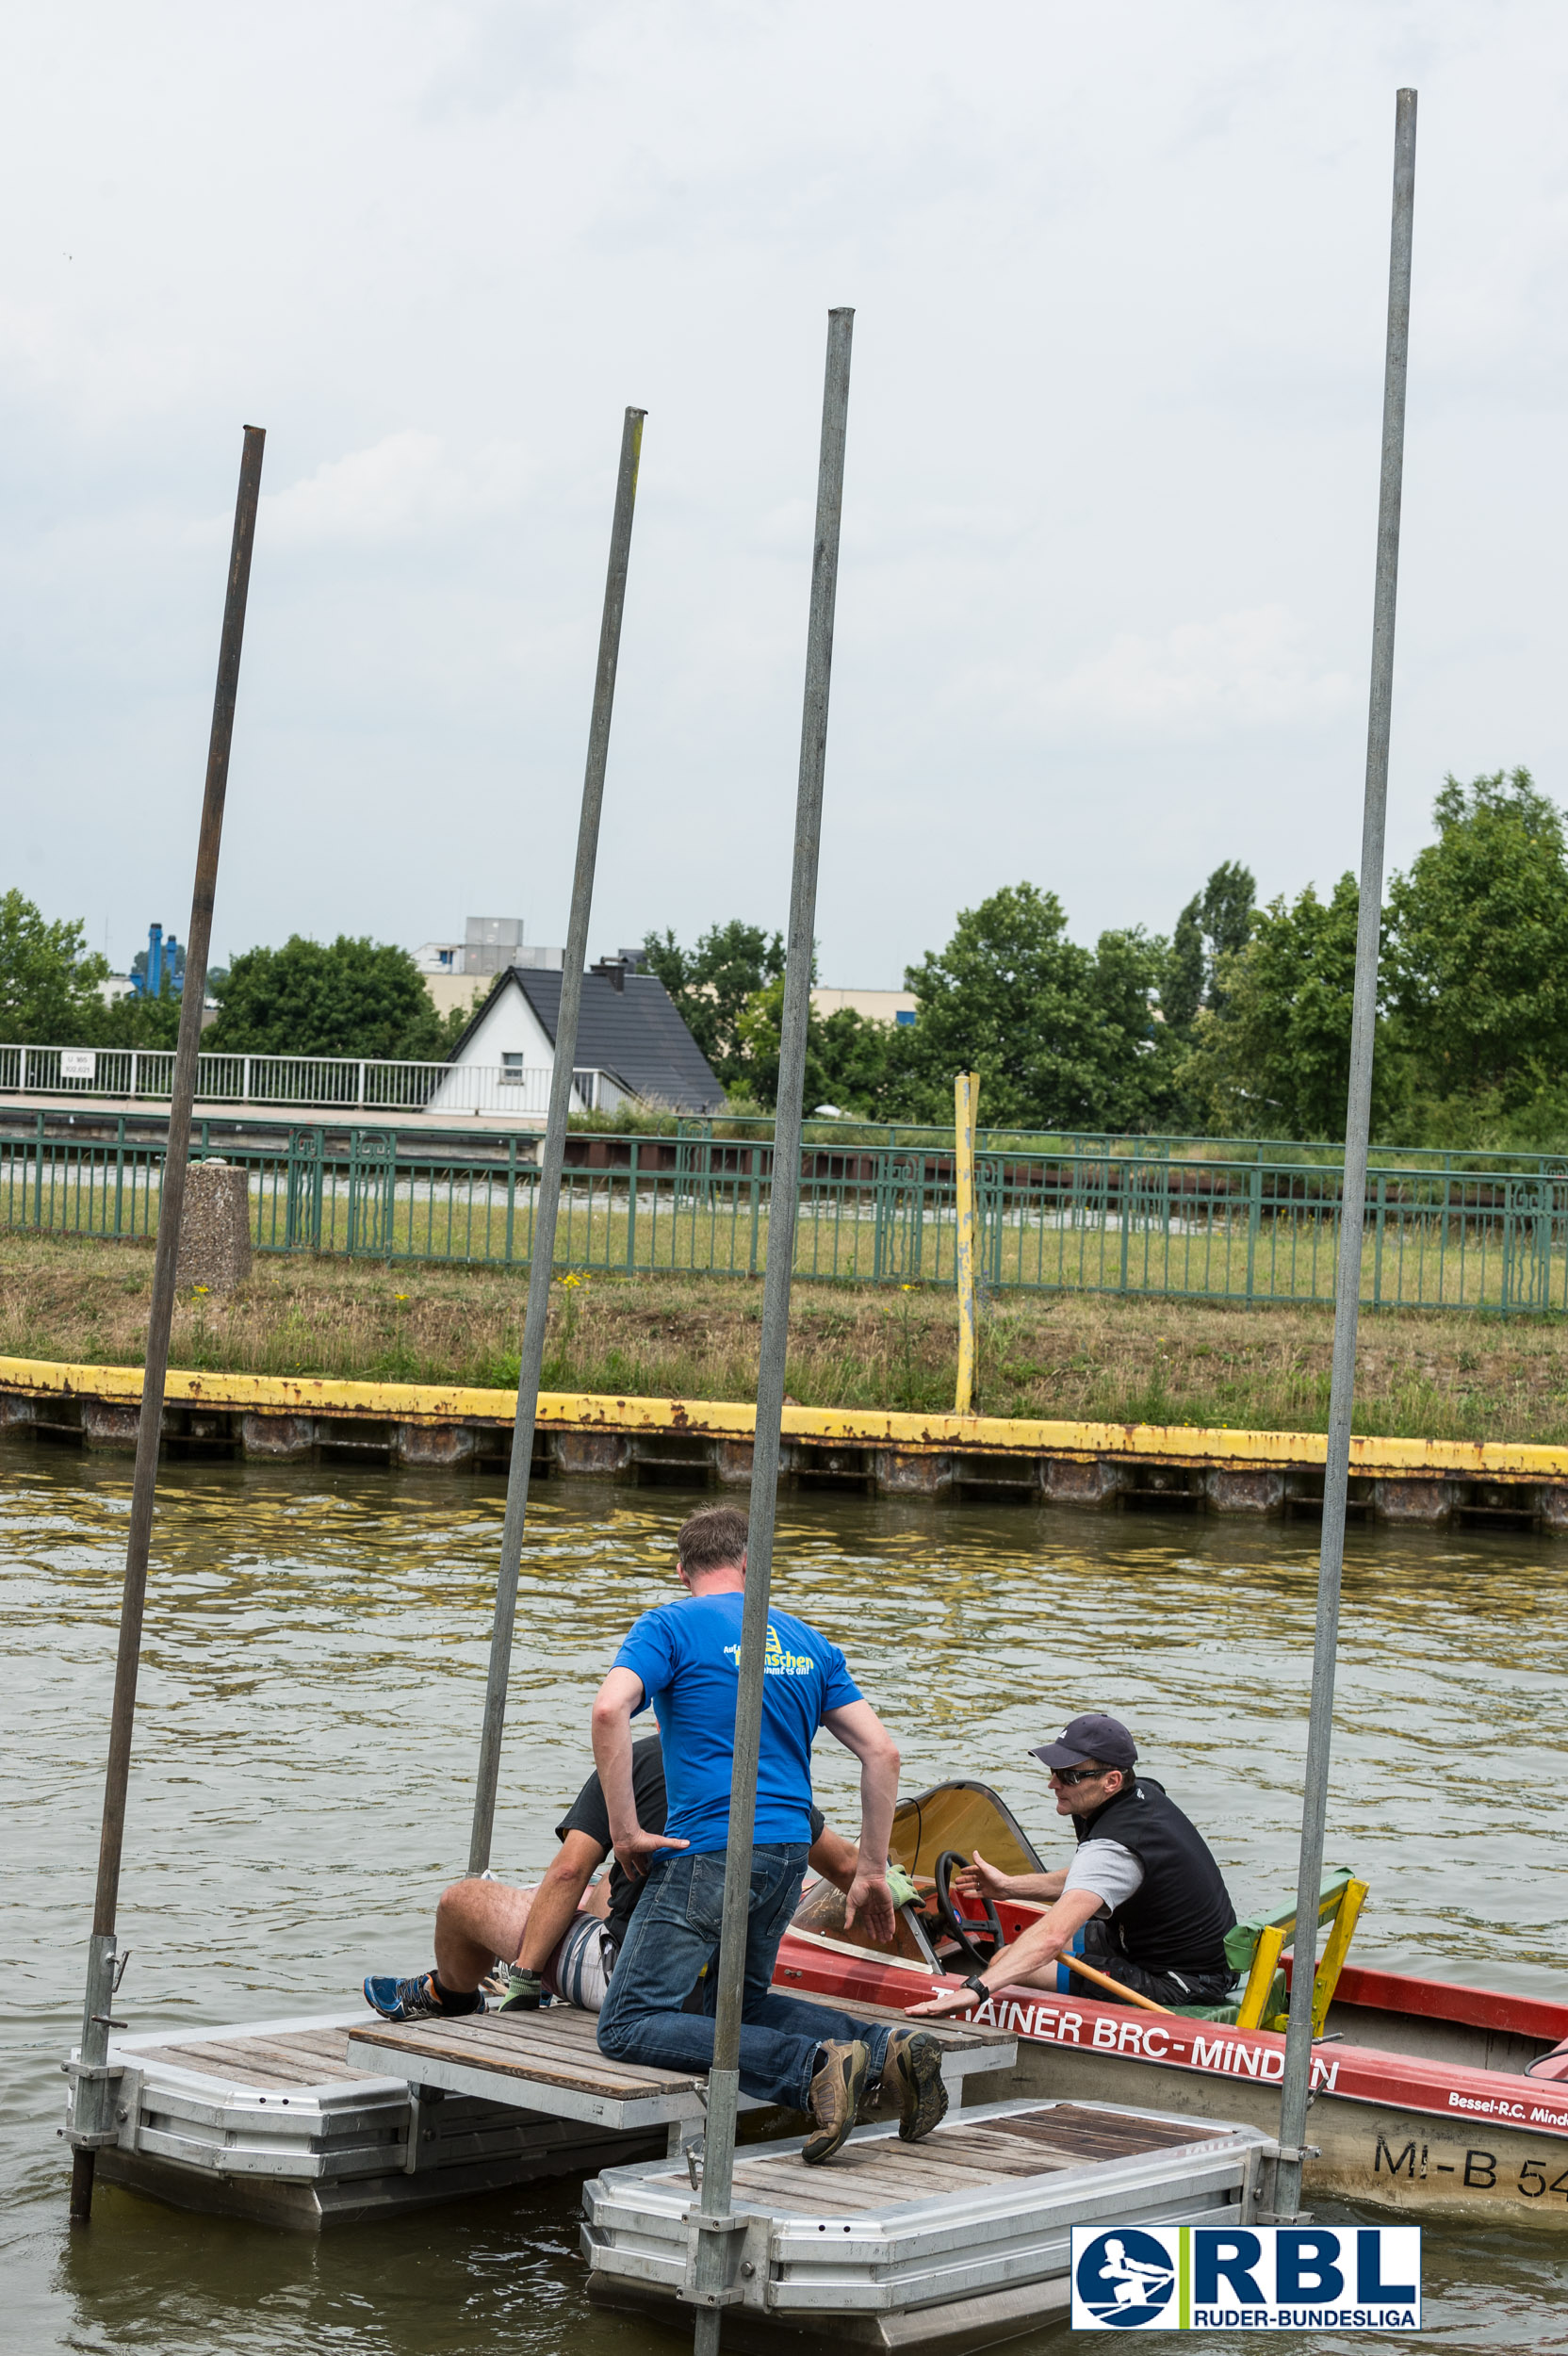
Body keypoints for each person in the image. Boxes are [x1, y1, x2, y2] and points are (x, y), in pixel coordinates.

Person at [592, 1503, 948, 2165]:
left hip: (707, 1851)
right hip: (788, 1853)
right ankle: (886, 2047)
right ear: (753, 1566)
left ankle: (811, 2067)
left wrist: (624, 1830)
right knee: (744, 2002)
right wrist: (870, 1870)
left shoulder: (667, 1623)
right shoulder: (808, 1641)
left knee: (628, 2024)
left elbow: (610, 1707)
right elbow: (883, 1754)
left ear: (682, 1570)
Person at [362, 1728, 864, 2023]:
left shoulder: (639, 1760)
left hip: (646, 1982)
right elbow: (847, 1865)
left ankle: (450, 1996)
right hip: (728, 1981)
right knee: (612, 1879)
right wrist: (895, 1887)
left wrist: (525, 1976)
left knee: (462, 1902)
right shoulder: (767, 1772)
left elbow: (566, 1873)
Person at [910, 1712, 1237, 2018]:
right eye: (1053, 1771)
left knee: (1004, 1965)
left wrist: (974, 1990)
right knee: (1008, 1959)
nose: (1053, 1784)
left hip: (1184, 1979)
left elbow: (1052, 1936)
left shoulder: (1113, 1845)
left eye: (1069, 1776)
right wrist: (1008, 1888)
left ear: (1111, 1780)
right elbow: (1096, 1879)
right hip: (1158, 1946)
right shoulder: (1139, 1795)